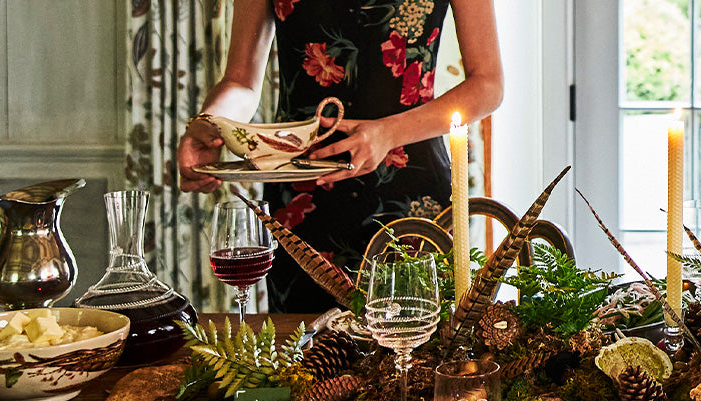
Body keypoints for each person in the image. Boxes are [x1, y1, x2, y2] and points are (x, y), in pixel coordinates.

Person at [178, 0, 502, 312]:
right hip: (303, 200)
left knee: (419, 358)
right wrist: (209, 122)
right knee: (303, 358)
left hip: (412, 195)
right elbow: (240, 81)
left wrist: (389, 133)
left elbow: (487, 84)